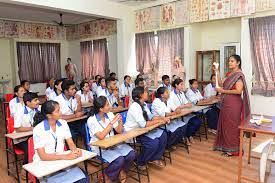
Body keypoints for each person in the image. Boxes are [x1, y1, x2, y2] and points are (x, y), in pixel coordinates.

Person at [33, 100, 89, 183]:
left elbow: (70, 143)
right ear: (49, 115)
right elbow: (43, 156)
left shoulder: (63, 123)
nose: (61, 112)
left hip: (62, 161)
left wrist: (75, 151)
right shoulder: (38, 129)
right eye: (57, 111)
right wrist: (66, 157)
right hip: (46, 163)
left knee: (84, 179)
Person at [87, 96, 136, 182]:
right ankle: (107, 176)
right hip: (100, 147)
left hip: (113, 143)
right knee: (119, 159)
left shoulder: (109, 114)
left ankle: (122, 170)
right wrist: (111, 123)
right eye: (107, 105)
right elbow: (101, 136)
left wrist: (120, 121)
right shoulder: (91, 120)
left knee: (131, 154)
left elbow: (119, 131)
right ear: (101, 109)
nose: (109, 106)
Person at [213, 55, 250, 156]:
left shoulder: (239, 75)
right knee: (226, 125)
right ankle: (227, 147)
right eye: (229, 61)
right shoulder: (229, 74)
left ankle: (234, 150)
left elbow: (238, 91)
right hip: (226, 104)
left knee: (232, 126)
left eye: (232, 61)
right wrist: (217, 71)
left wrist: (223, 91)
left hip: (234, 104)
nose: (229, 63)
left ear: (238, 63)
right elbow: (221, 84)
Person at [124, 87, 168, 169]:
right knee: (153, 143)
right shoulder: (135, 106)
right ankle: (139, 161)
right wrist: (160, 121)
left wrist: (162, 118)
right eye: (145, 92)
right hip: (133, 133)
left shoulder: (144, 104)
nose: (147, 93)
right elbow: (143, 124)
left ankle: (154, 158)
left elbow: (151, 117)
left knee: (163, 135)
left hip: (142, 131)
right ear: (140, 95)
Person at [14, 92, 40, 178]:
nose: (38, 102)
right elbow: (17, 128)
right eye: (35, 100)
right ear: (28, 103)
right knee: (30, 149)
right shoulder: (20, 111)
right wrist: (33, 128)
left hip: (34, 136)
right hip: (21, 139)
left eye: (38, 99)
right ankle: (24, 170)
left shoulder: (39, 109)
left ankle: (39, 168)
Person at [168, 78, 202, 145]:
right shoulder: (171, 95)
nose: (183, 86)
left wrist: (182, 106)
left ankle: (188, 135)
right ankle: (186, 137)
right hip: (177, 116)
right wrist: (183, 106)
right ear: (176, 85)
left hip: (185, 113)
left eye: (183, 84)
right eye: (181, 84)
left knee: (198, 121)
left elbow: (188, 104)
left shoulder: (182, 93)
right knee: (192, 123)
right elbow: (175, 108)